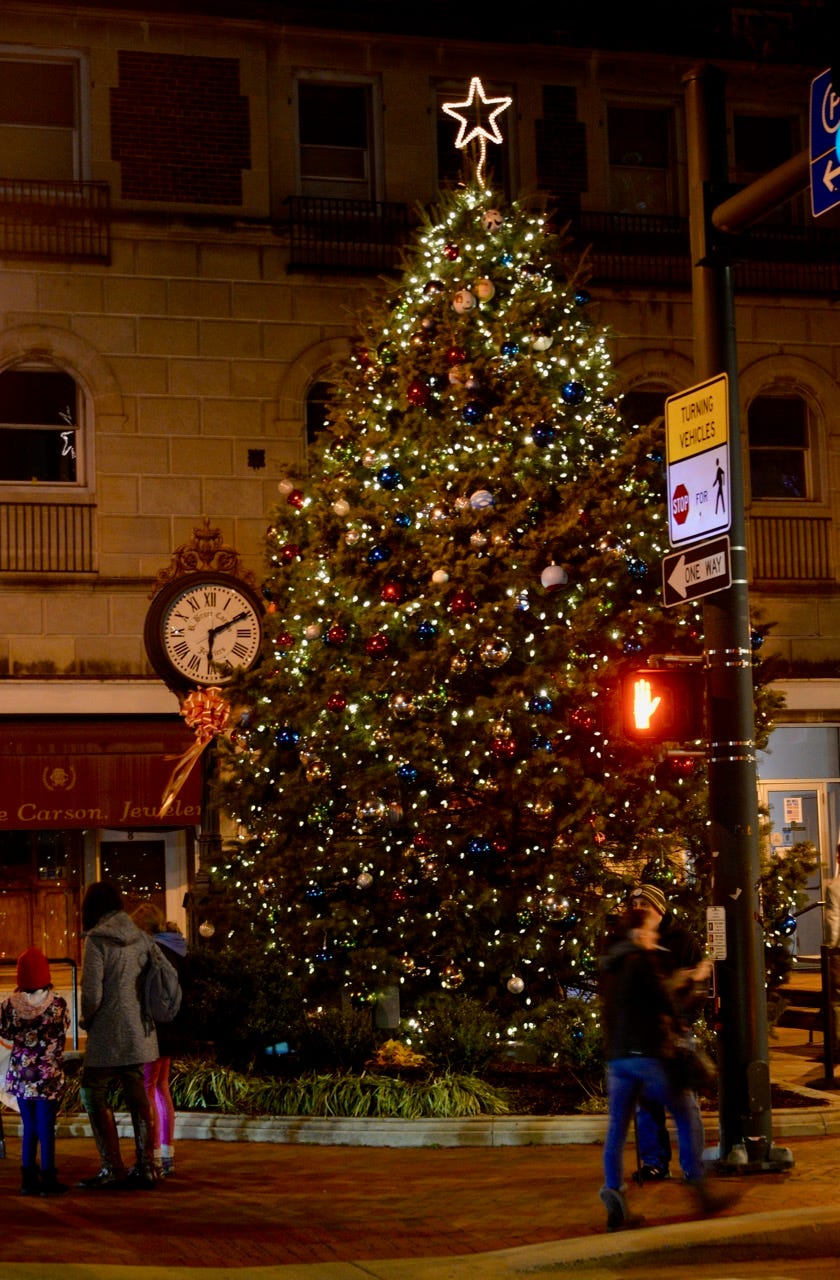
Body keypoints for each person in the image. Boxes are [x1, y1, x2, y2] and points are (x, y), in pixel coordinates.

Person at [597, 900, 730, 1232]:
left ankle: (614, 1198)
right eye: (652, 930)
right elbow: (667, 1005)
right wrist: (693, 980)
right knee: (685, 1112)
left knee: (617, 1128)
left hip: (618, 1058)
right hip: (647, 1055)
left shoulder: (611, 964)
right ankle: (698, 1186)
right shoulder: (642, 961)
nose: (655, 935)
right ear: (640, 931)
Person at [77, 880, 175, 1190]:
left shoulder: (96, 940)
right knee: (137, 1094)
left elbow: (92, 993)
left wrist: (86, 1021)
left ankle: (112, 1167)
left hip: (107, 1031)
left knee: (93, 1090)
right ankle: (147, 1166)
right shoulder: (142, 938)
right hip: (140, 1030)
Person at [629, 883, 708, 1183]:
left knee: (685, 1103)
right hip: (643, 1035)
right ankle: (655, 1162)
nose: (639, 910)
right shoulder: (632, 941)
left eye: (644, 905)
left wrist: (684, 1021)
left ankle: (693, 1167)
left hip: (674, 1033)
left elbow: (695, 988)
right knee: (646, 1103)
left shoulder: (682, 941)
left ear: (659, 909)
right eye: (634, 905)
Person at [0, 946, 69, 1196]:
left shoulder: (9, 1005)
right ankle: (49, 1178)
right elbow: (62, 1032)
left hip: (21, 1075)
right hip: (47, 1076)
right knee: (46, 1126)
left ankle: (28, 1178)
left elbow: (5, 1032)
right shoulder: (57, 1004)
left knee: (28, 1126)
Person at [131, 902, 188, 1178]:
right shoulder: (176, 948)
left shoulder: (150, 951)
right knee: (162, 1087)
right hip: (173, 1025)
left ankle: (151, 1154)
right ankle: (167, 1152)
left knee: (146, 1088)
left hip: (152, 1028)